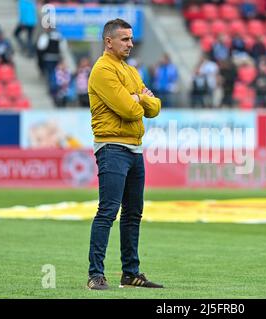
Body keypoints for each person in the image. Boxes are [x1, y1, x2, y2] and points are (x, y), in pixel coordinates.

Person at [86, 19, 163, 290]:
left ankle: (130, 274)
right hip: (112, 147)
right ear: (109, 41)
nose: (130, 44)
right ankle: (95, 275)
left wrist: (139, 98)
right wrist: (140, 98)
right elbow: (129, 110)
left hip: (134, 148)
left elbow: (154, 108)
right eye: (125, 39)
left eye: (131, 39)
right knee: (108, 211)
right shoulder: (102, 70)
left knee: (133, 214)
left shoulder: (129, 71)